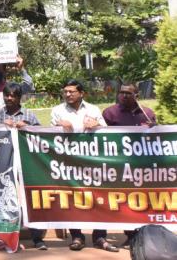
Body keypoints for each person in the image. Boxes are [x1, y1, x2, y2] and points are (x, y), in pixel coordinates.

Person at [51, 79, 116, 253]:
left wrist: (98, 125)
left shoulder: (93, 109)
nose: (67, 94)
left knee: (98, 197)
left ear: (81, 93)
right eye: (65, 91)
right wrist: (58, 126)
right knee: (72, 199)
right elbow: (47, 137)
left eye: (71, 91)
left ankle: (99, 236)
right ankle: (77, 236)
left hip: (92, 162)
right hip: (69, 162)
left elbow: (107, 132)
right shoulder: (57, 111)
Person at [0, 84, 45, 251]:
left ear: (20, 98)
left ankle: (37, 238)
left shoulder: (29, 115)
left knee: (28, 199)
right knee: (7, 202)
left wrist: (27, 127)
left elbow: (43, 136)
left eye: (13, 95)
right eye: (7, 95)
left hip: (26, 162)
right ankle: (9, 237)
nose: (9, 98)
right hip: (3, 164)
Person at [103, 83, 155, 249]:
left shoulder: (147, 114)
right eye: (121, 93)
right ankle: (128, 233)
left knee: (138, 199)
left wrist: (152, 128)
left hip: (139, 166)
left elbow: (157, 137)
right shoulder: (110, 113)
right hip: (116, 165)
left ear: (136, 96)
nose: (124, 96)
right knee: (121, 199)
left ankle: (138, 235)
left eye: (128, 93)